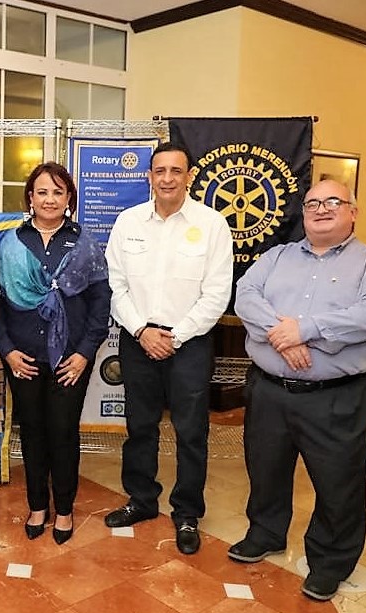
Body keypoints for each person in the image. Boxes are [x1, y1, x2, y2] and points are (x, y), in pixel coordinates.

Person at [231, 179, 366, 601]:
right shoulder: (276, 257)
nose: (321, 208)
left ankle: (330, 561)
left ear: (353, 211)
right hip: (269, 391)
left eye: (333, 201)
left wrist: (305, 330)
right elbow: (246, 296)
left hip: (338, 396)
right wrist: (284, 337)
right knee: (266, 470)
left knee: (338, 482)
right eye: (313, 202)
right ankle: (266, 533)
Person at [104, 141, 233, 555]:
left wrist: (175, 337)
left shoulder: (213, 225)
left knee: (191, 432)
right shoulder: (128, 222)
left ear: (189, 176)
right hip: (138, 339)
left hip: (189, 343)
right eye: (160, 171)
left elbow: (216, 295)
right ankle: (141, 501)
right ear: (149, 176)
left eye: (176, 171)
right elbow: (116, 285)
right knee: (139, 427)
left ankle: (187, 512)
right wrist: (142, 331)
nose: (167, 179)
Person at [0, 161, 111, 545]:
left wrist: (85, 354)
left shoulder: (86, 244)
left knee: (62, 433)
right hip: (22, 360)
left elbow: (100, 303)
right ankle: (37, 506)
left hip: (70, 362)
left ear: (69, 199)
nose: (49, 199)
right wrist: (6, 351)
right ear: (30, 197)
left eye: (58, 192)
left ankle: (64, 509)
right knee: (33, 434)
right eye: (42, 191)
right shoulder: (9, 243)